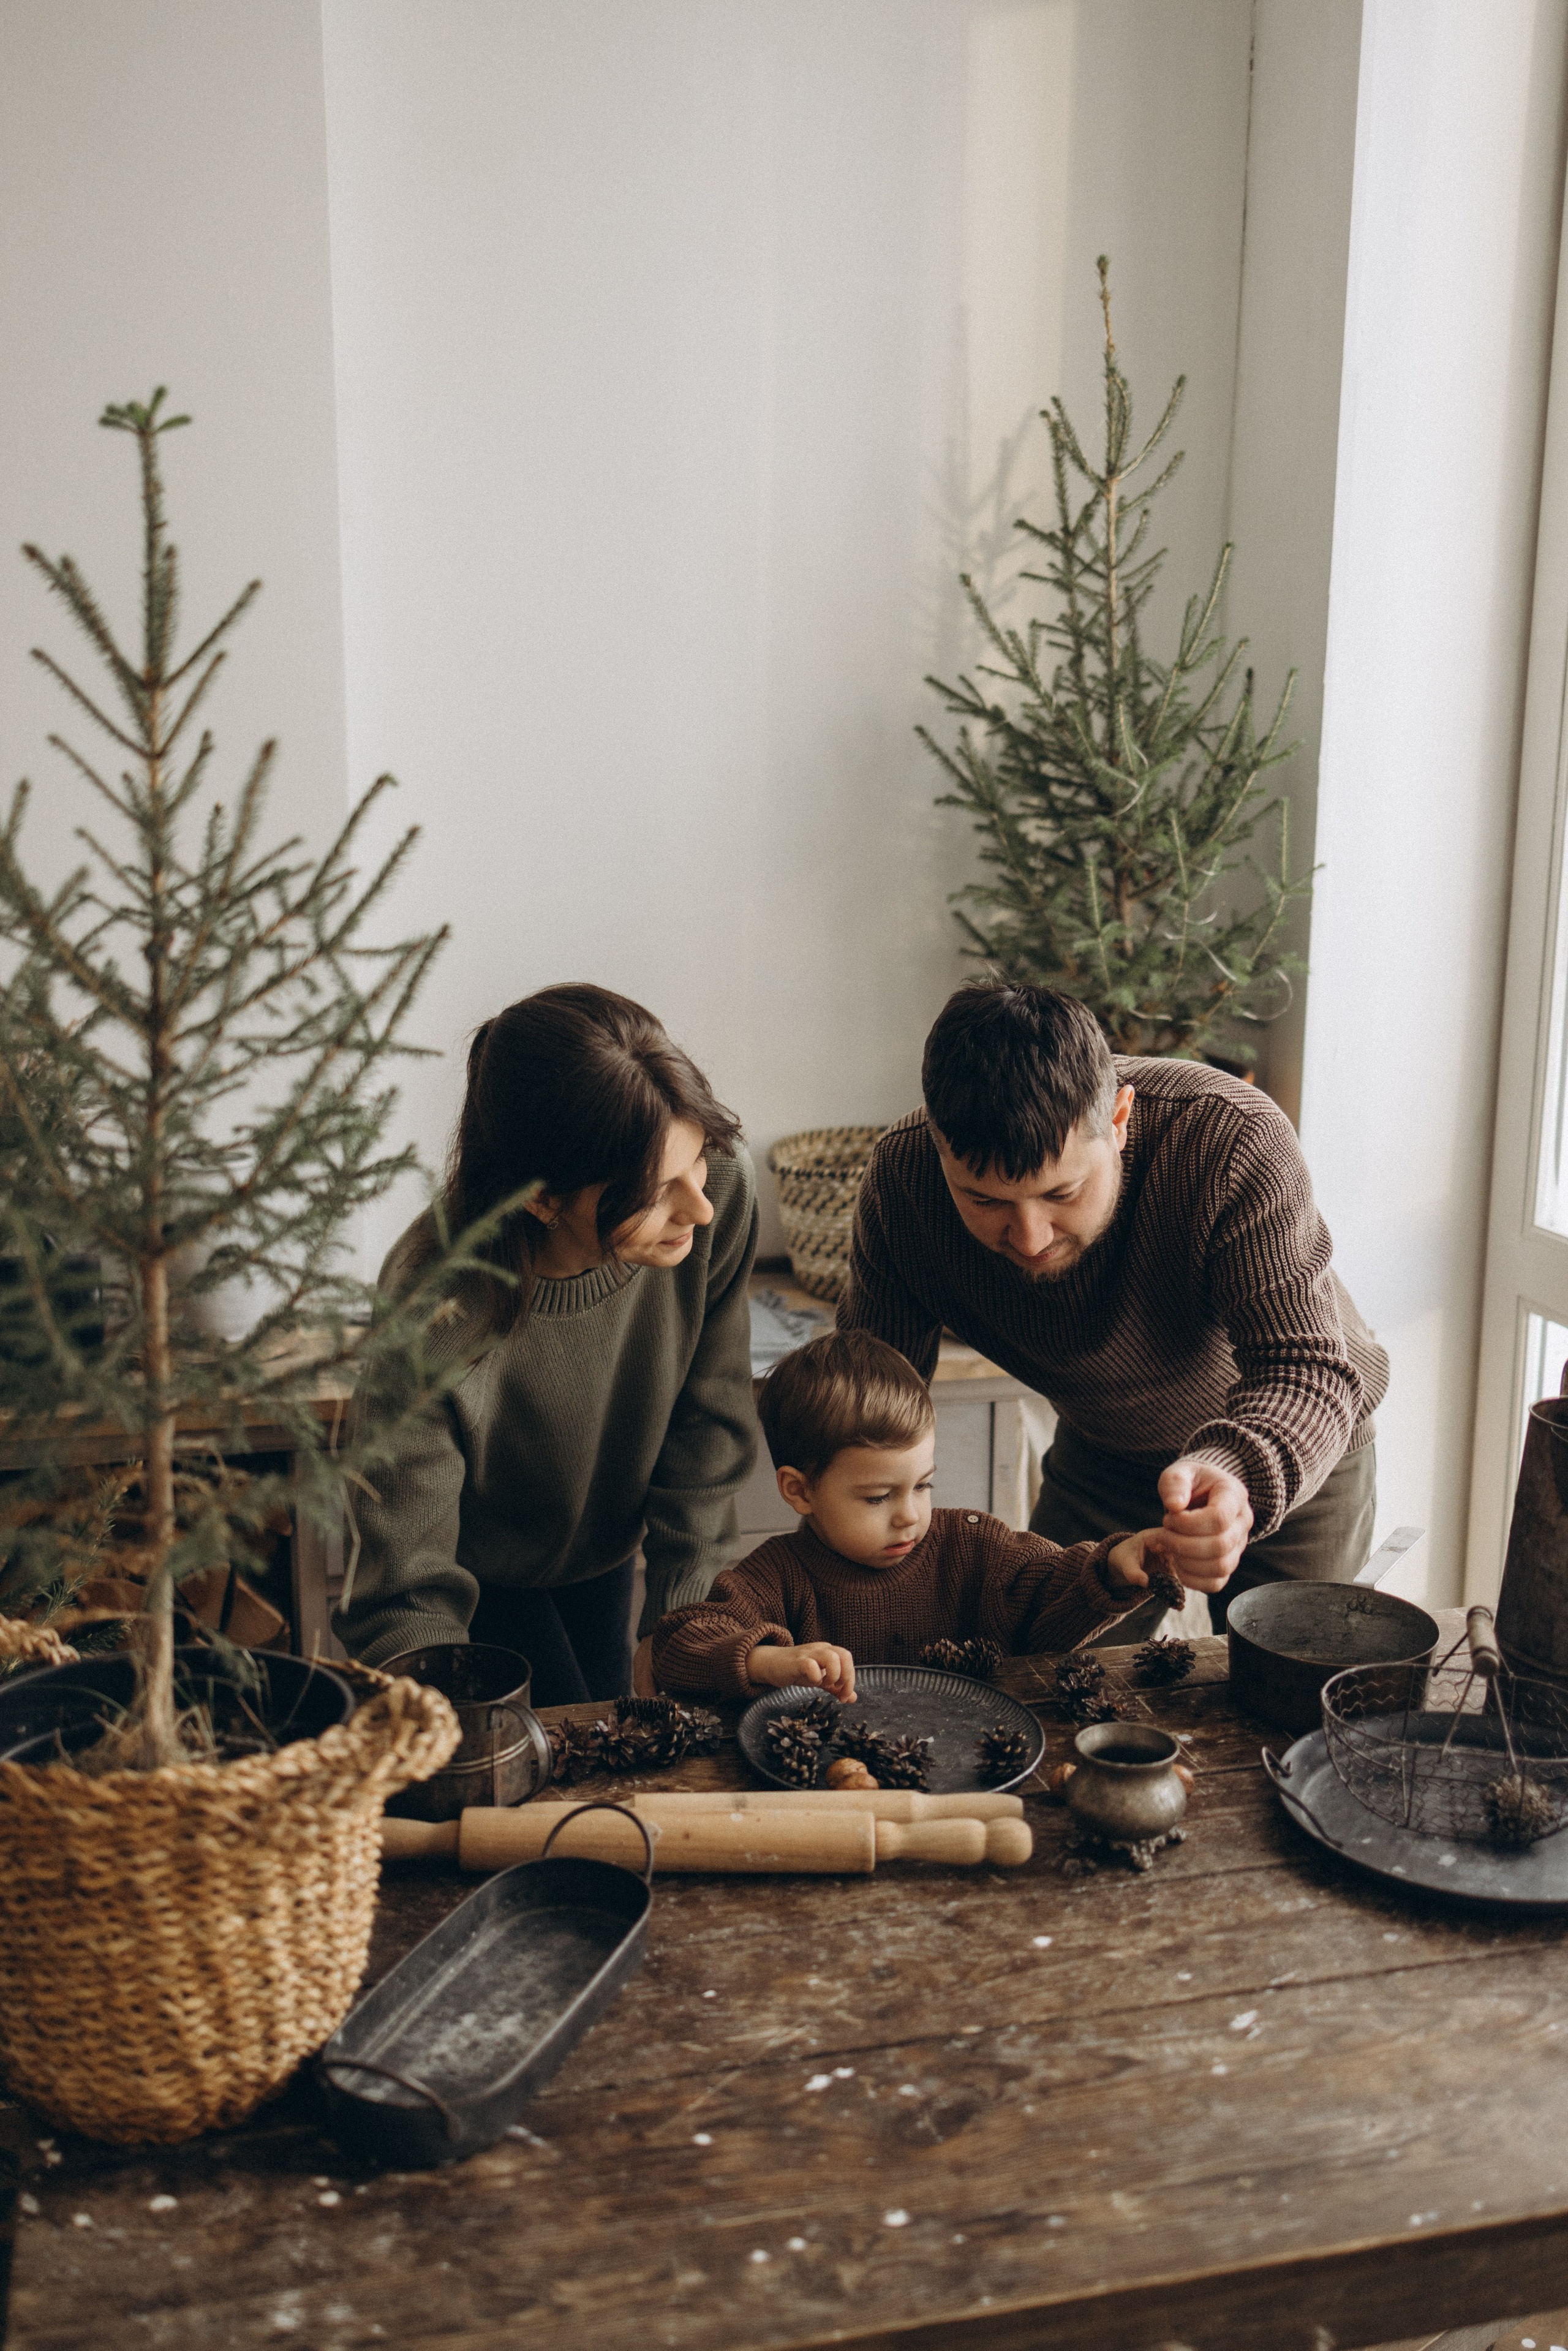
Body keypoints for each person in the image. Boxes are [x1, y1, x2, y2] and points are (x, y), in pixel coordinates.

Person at [838, 982, 1389, 1636]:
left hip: (1293, 1446)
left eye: (1061, 1192)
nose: (1031, 1238)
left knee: (1283, 1677)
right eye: (985, 1201)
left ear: (1120, 1119)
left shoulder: (1230, 1136)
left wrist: (1235, 1471)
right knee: (1042, 1663)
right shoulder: (903, 1182)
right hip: (1102, 1455)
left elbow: (1304, 1369)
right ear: (936, 1144)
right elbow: (872, 1393)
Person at [334, 983, 758, 1704]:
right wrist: (451, 1710)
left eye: (697, 1157)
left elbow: (707, 1433)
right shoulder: (433, 1304)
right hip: (472, 1581)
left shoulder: (719, 1188)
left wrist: (682, 1626)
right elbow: (403, 1589)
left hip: (605, 1549)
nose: (700, 1206)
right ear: (540, 1197)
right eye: (655, 1191)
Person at [651, 1330, 1214, 1699]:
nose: (909, 1516)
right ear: (800, 1491)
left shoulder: (974, 1546)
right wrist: (768, 1661)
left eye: (922, 1486)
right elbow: (677, 1646)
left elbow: (1053, 1591)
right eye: (877, 1497)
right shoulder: (775, 1577)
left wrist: (1115, 1564)